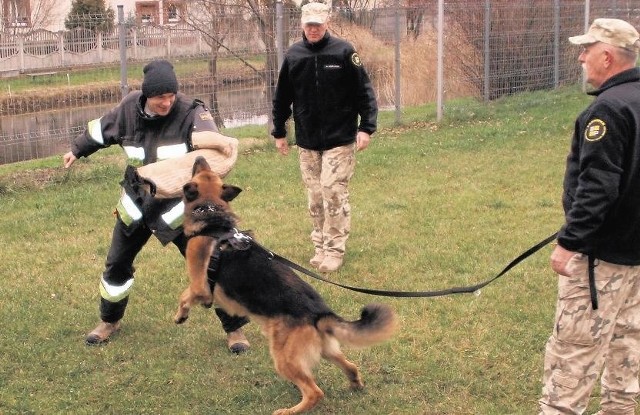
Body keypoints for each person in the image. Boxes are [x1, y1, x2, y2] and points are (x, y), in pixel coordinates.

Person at [63, 59, 250, 353]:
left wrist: (224, 144)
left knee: (211, 264)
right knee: (116, 265)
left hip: (179, 210)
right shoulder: (127, 110)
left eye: (171, 95)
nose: (167, 102)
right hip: (137, 204)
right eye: (161, 97)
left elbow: (210, 143)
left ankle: (235, 329)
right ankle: (109, 321)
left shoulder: (191, 111)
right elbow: (100, 132)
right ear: (146, 96)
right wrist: (76, 149)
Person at [539, 18, 640, 414]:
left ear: (607, 56)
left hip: (604, 256)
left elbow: (598, 187)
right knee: (628, 338)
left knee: (574, 350)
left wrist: (570, 243)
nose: (581, 58)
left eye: (586, 50)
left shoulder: (607, 110)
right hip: (635, 253)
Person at [271, 2, 378, 273]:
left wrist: (366, 127)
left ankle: (335, 249)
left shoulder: (344, 51)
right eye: (309, 24)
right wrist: (279, 132)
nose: (314, 29)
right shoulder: (294, 56)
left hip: (339, 138)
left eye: (318, 24)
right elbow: (282, 97)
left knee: (332, 191)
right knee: (315, 196)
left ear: (327, 22)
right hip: (308, 141)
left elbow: (364, 92)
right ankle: (319, 245)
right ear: (302, 25)